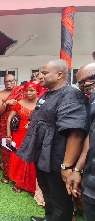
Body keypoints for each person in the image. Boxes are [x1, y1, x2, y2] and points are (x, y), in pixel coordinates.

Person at [16, 59, 88, 221]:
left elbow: (76, 133)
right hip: (43, 155)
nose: (40, 76)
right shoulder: (47, 94)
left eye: (45, 72)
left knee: (60, 197)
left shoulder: (70, 95)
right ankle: (50, 218)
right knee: (47, 191)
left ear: (60, 75)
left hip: (57, 157)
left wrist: (67, 166)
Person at [66, 62, 95, 221]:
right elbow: (89, 139)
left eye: (92, 78)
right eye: (81, 82)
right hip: (91, 179)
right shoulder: (89, 102)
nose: (86, 84)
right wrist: (77, 170)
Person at [6, 81, 40, 194]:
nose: (29, 93)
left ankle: (30, 184)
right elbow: (9, 119)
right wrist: (9, 135)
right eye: (27, 90)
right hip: (19, 134)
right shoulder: (19, 103)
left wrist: (32, 124)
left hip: (34, 135)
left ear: (37, 91)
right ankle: (18, 182)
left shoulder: (41, 104)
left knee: (31, 159)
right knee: (18, 158)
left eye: (32, 90)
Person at [0, 74, 24, 184]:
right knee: (7, 151)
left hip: (20, 126)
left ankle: (18, 176)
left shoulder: (21, 92)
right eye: (6, 82)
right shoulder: (1, 94)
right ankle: (6, 175)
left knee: (18, 150)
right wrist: (6, 103)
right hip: (4, 126)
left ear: (15, 81)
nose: (8, 83)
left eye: (11, 81)